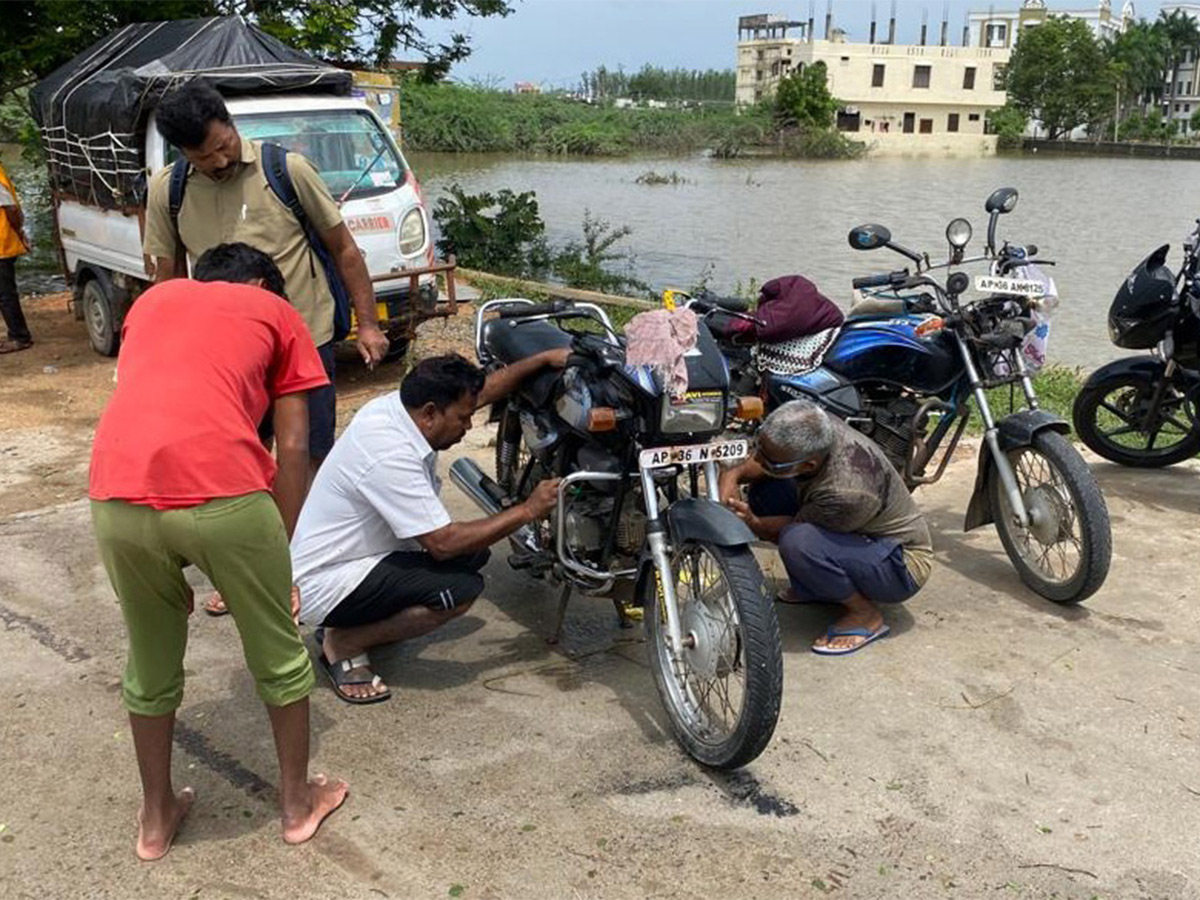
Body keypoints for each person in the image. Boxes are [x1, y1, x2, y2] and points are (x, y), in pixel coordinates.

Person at [90, 242, 347, 861]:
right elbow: (292, 450)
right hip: (225, 492)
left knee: (150, 663)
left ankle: (156, 821)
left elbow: (154, 403)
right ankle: (295, 804)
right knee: (279, 655)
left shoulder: (152, 302)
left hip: (115, 494)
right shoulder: (278, 314)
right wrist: (276, 552)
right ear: (264, 283)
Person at [143, 79, 388, 617]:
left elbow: (344, 250)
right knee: (236, 464)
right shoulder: (170, 190)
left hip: (305, 339)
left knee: (309, 456)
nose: (218, 158)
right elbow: (165, 277)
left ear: (229, 123)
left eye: (223, 143)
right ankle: (244, 569)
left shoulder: (287, 170)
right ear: (182, 152)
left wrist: (367, 325)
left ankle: (297, 564)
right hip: (226, 357)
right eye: (203, 155)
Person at [290, 352, 568, 704]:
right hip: (328, 578)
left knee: (476, 550)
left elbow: (482, 392)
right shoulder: (389, 452)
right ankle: (344, 641)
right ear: (430, 414)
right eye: (464, 419)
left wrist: (542, 359)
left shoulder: (402, 408)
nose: (468, 426)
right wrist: (528, 510)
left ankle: (352, 623)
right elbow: (443, 543)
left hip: (361, 556)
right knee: (459, 588)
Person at [719, 399, 934, 656]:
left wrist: (751, 522)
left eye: (768, 459)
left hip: (901, 564)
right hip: (859, 534)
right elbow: (762, 460)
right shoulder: (817, 425)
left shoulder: (848, 491)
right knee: (767, 490)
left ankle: (864, 614)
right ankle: (819, 585)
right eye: (759, 449)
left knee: (798, 542)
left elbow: (785, 531)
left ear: (808, 465)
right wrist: (732, 475)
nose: (758, 460)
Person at [0, 160, 33, 354]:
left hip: (3, 244)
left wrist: (19, 233)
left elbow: (11, 209)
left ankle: (20, 336)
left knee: (5, 294)